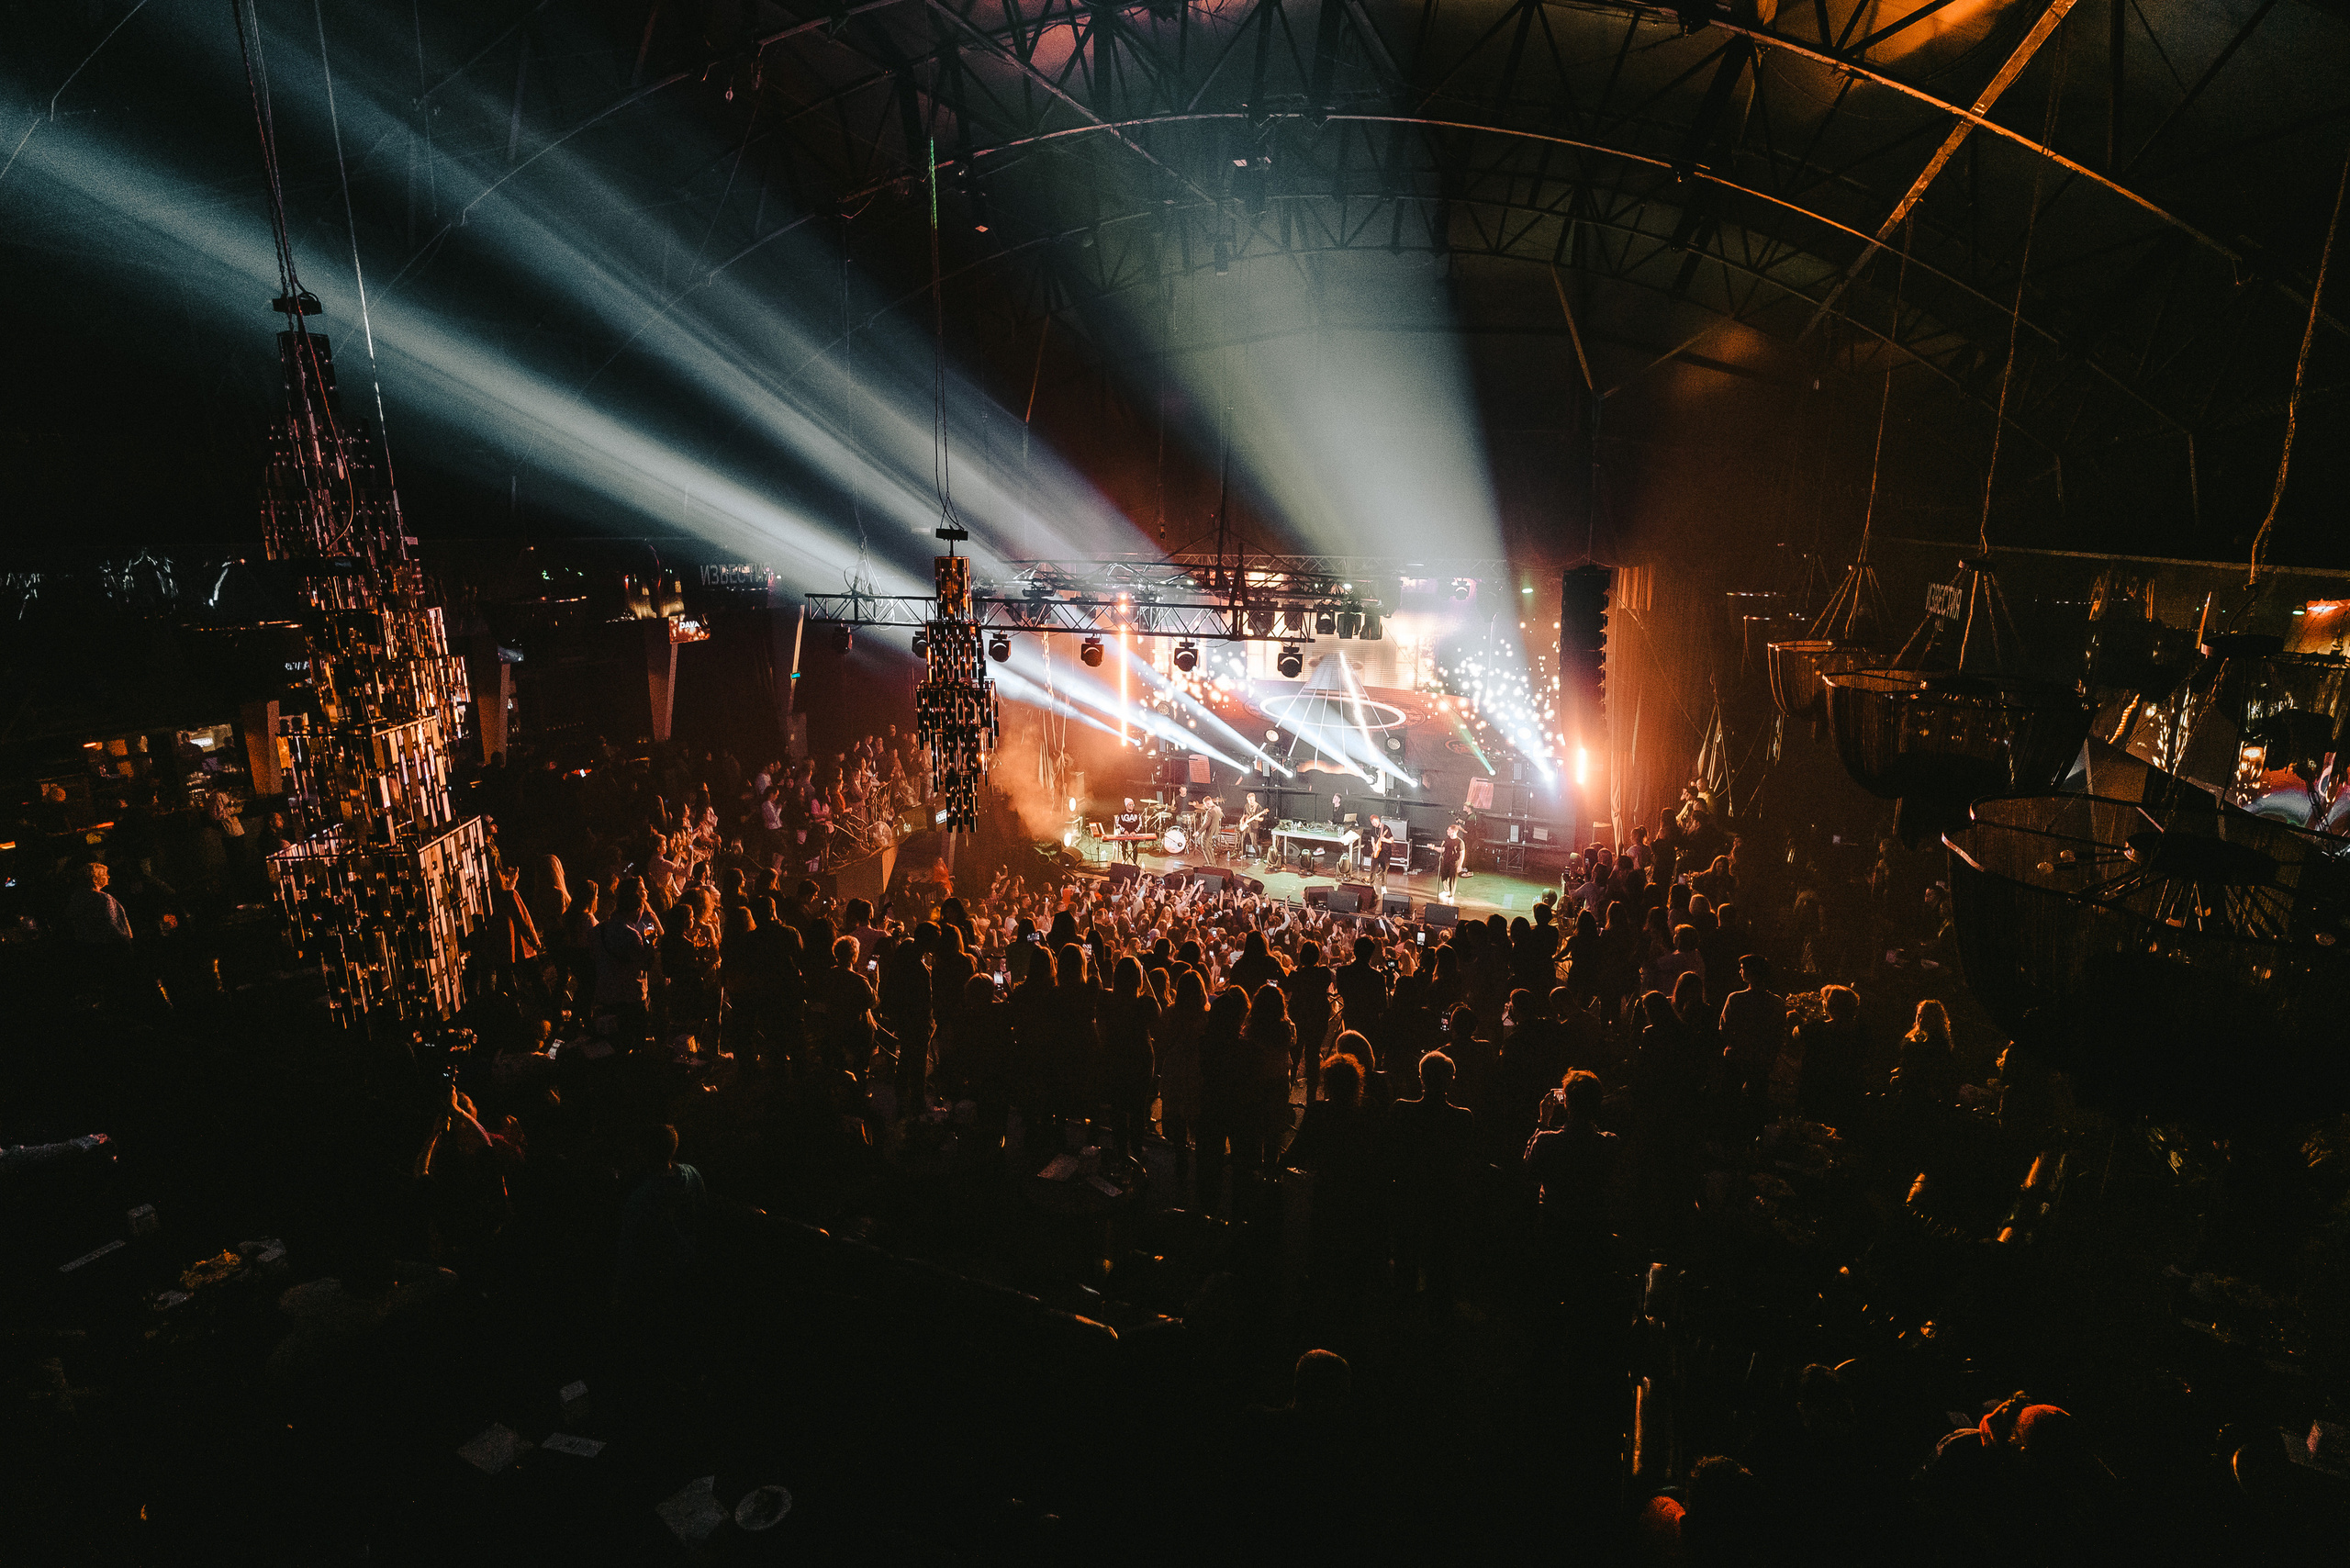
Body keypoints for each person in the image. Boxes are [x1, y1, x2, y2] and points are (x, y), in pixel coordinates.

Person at [1384, 1049, 1475, 1310]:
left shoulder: (1401, 1110)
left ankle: (1404, 1316)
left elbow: (1389, 1154)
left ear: (1421, 1078)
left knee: (1406, 1263)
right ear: (1451, 1079)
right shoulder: (1462, 1118)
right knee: (1440, 1266)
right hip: (1444, 1201)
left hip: (1409, 1198)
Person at [1438, 822, 1467, 903]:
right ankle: (1446, 890)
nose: (1447, 831)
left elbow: (1462, 854)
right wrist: (1433, 848)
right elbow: (1443, 850)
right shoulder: (1446, 840)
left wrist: (1460, 865)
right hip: (1445, 861)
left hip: (1454, 863)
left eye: (1449, 830)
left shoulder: (1460, 842)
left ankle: (1451, 895)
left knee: (1452, 879)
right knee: (1443, 877)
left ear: (1453, 832)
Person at [1113, 797, 1145, 864]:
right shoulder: (1121, 814)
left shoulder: (1137, 814)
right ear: (1126, 805)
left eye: (1133, 805)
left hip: (1134, 833)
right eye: (1130, 805)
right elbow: (1117, 823)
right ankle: (1124, 860)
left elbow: (1140, 824)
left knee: (1135, 847)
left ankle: (1134, 862)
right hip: (1125, 833)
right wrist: (1124, 831)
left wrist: (1135, 831)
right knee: (1124, 846)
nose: (1132, 806)